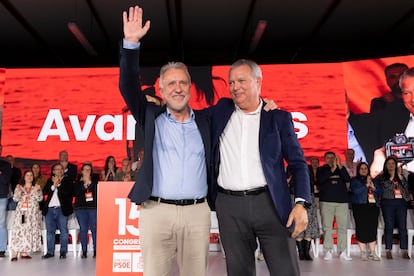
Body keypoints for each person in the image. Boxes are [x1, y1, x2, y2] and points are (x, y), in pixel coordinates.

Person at [120, 6, 211, 276]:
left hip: (197, 214)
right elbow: (127, 85)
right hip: (156, 211)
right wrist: (131, 44)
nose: (177, 88)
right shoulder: (150, 116)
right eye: (170, 84)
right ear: (160, 90)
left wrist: (265, 104)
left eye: (182, 83)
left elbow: (241, 105)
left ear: (190, 87)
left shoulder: (207, 120)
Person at [209, 59, 311, 276]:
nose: (235, 87)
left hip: (271, 205)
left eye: (242, 81)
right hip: (230, 208)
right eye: (232, 82)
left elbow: (298, 164)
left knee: (286, 271)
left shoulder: (278, 118)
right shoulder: (221, 111)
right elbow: (186, 113)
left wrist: (302, 203)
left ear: (258, 82)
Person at [317, 151, 351, 261]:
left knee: (342, 228)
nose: (331, 159)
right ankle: (328, 250)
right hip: (326, 202)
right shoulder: (321, 169)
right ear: (325, 159)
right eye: (328, 158)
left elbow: (347, 179)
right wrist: (332, 168)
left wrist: (339, 166)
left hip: (342, 202)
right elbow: (321, 180)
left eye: (333, 157)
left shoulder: (341, 169)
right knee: (327, 227)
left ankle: (343, 250)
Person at [377, 156, 410, 259]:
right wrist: (391, 176)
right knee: (389, 226)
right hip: (388, 203)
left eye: (393, 164)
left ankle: (404, 249)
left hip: (401, 203)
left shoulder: (400, 176)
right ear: (386, 166)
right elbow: (386, 187)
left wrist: (400, 177)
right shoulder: (382, 177)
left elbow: (405, 187)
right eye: (389, 164)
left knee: (402, 226)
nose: (391, 166)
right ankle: (388, 249)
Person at [349, 162, 381, 261]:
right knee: (361, 228)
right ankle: (363, 252)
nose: (363, 170)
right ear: (358, 170)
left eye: (365, 168)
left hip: (373, 207)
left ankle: (372, 252)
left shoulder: (374, 180)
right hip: (360, 207)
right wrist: (366, 185)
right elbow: (356, 191)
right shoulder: (354, 180)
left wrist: (374, 187)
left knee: (372, 228)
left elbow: (381, 192)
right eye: (361, 168)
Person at [42, 163, 74, 259]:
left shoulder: (68, 181)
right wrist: (53, 185)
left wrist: (58, 185)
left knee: (63, 231)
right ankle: (50, 252)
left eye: (61, 169)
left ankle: (63, 252)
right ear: (53, 171)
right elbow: (45, 192)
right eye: (57, 169)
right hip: (50, 209)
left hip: (61, 209)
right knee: (50, 232)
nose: (59, 171)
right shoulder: (49, 180)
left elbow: (68, 193)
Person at [10, 170, 43, 261]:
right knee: (20, 230)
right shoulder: (20, 187)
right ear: (24, 177)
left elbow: (40, 199)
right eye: (27, 175)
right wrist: (19, 192)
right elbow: (15, 199)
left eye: (31, 175)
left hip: (32, 214)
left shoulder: (36, 187)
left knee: (28, 231)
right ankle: (15, 253)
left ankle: (24, 252)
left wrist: (36, 191)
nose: (29, 177)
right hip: (22, 213)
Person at [73, 163, 97, 258]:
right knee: (83, 230)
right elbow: (76, 193)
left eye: (89, 170)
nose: (87, 172)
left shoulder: (95, 183)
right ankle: (84, 251)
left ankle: (96, 250)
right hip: (80, 209)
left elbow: (97, 193)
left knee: (94, 229)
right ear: (82, 171)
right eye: (85, 170)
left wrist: (90, 184)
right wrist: (84, 185)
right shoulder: (77, 183)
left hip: (92, 208)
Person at [0, 154, 12, 258]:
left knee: (1, 223)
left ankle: (1, 248)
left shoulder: (6, 165)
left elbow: (4, 180)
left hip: (1, 196)